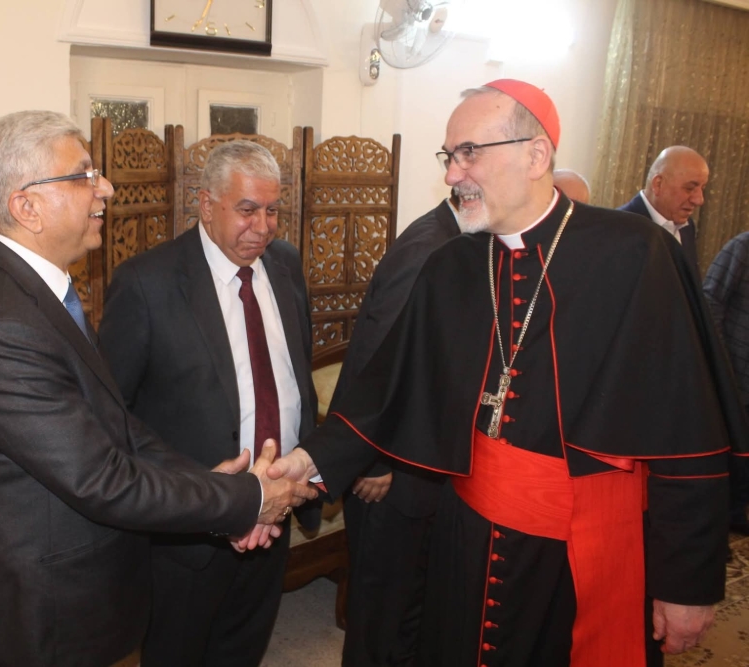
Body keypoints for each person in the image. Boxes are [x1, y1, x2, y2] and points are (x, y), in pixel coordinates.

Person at [270, 80, 748, 667]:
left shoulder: (636, 256)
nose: (453, 175)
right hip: (465, 537)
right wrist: (308, 462)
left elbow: (687, 437)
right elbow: (385, 393)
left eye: (469, 153)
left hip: (580, 550)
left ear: (535, 155)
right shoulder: (451, 266)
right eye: (449, 156)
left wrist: (687, 582)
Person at [0, 111, 315, 667]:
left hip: (74, 596)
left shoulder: (34, 294)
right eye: (83, 175)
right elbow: (101, 478)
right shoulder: (2, 327)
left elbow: (117, 423)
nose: (105, 187)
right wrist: (243, 499)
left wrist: (214, 485)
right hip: (42, 615)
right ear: (26, 206)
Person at [98, 140, 319, 667]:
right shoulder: (147, 283)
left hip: (277, 509)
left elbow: (296, 377)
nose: (262, 227)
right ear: (205, 203)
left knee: (244, 649)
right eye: (247, 210)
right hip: (190, 534)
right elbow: (110, 415)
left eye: (272, 210)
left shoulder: (285, 266)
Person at [335, 196, 458, 666]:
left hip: (418, 464)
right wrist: (374, 459)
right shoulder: (428, 249)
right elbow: (377, 360)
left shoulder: (454, 239)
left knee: (409, 608)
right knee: (380, 615)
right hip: (389, 473)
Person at [703, 232, 749, 535]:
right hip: (736, 368)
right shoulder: (743, 247)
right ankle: (726, 518)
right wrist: (722, 357)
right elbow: (711, 300)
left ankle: (737, 512)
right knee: (734, 448)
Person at [619, 146, 709, 275]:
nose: (699, 200)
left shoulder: (687, 227)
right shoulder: (620, 229)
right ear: (658, 184)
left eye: (702, 189)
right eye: (689, 188)